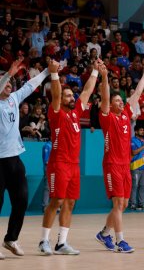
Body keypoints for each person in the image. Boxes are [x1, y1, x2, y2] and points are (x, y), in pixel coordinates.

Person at [38, 60, 99, 255]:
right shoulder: (56, 113)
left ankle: (61, 243)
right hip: (59, 163)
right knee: (56, 201)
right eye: (68, 95)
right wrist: (55, 75)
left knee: (71, 202)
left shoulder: (75, 113)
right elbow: (56, 94)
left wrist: (95, 71)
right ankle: (43, 241)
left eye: (72, 94)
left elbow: (87, 91)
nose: (72, 97)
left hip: (74, 165)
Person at [95, 65, 144, 253]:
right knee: (118, 203)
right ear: (110, 105)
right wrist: (104, 76)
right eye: (116, 100)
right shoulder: (107, 117)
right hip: (112, 164)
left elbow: (137, 93)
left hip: (125, 165)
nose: (120, 102)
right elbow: (104, 95)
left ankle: (103, 234)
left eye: (121, 100)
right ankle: (120, 241)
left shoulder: (126, 114)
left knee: (124, 204)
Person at [0, 57, 49, 260]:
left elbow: (30, 85)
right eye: (6, 83)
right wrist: (9, 73)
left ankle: (11, 239)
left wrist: (47, 71)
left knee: (21, 201)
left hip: (15, 160)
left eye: (11, 83)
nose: (10, 85)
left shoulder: (13, 99)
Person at [129, 126, 144, 211]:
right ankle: (133, 204)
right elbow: (134, 152)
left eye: (143, 130)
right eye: (141, 130)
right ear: (136, 131)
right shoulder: (132, 140)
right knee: (135, 186)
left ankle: (141, 204)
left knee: (143, 186)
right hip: (136, 166)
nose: (142, 131)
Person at [42, 140, 52, 212]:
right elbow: (46, 161)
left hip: (55, 169)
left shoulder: (56, 145)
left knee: (55, 188)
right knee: (47, 187)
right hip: (48, 168)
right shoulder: (47, 146)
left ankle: (54, 205)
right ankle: (45, 205)